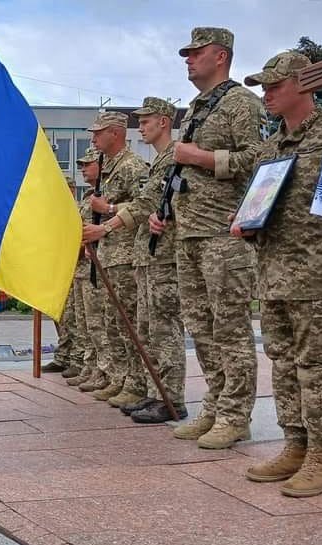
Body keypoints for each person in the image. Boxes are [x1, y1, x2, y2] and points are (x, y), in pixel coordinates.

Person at [238, 52, 322, 497]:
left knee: (317, 367)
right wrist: (244, 221)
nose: (266, 94)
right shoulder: (269, 149)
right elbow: (258, 205)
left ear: (303, 85)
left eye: (274, 86)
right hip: (273, 272)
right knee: (284, 364)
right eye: (263, 87)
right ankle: (295, 446)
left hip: (317, 272)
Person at [148, 27, 265, 449]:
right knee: (201, 326)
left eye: (196, 53)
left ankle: (236, 415)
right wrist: (167, 218)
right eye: (186, 54)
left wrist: (199, 156)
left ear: (221, 56)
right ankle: (215, 406)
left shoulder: (242, 103)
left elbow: (260, 160)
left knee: (230, 327)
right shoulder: (197, 106)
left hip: (224, 233)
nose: (188, 59)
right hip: (190, 234)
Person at [95, 97, 190, 423]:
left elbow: (151, 202)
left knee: (165, 329)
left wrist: (106, 223)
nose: (141, 126)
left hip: (163, 255)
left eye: (146, 121)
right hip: (148, 254)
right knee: (149, 328)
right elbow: (147, 203)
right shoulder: (162, 160)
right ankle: (155, 393)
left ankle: (171, 397)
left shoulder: (173, 158)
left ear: (164, 121)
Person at [80, 112, 150, 406]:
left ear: (116, 133)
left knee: (127, 323)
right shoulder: (109, 166)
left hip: (125, 256)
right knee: (113, 324)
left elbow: (145, 204)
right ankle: (121, 378)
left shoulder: (133, 166)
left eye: (99, 133)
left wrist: (107, 208)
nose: (93, 138)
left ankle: (136, 383)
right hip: (108, 255)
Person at [65, 147, 110, 392]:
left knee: (99, 324)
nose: (83, 168)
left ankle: (104, 372)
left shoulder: (104, 197)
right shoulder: (88, 198)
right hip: (82, 269)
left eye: (87, 164)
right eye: (80, 165)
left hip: (98, 268)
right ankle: (91, 368)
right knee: (85, 324)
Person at [42, 177, 83, 374]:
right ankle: (63, 355)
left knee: (73, 317)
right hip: (57, 270)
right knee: (60, 316)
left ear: (72, 190)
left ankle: (76, 358)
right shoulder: (53, 214)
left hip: (75, 270)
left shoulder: (76, 211)